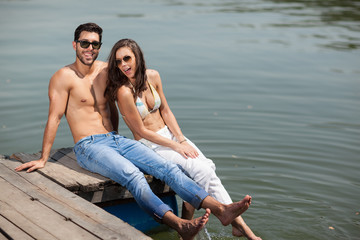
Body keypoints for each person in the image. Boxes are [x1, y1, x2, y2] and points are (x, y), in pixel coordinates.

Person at [14, 23, 252, 240]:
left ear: (99, 47)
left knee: (166, 168)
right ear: (75, 44)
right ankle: (179, 224)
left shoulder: (107, 70)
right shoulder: (63, 77)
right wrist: (44, 158)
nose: (89, 48)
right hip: (89, 145)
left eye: (95, 44)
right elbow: (54, 118)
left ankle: (221, 210)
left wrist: (120, 133)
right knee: (133, 175)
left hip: (115, 139)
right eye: (84, 43)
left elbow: (122, 96)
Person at [105, 38, 261, 240]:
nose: (123, 65)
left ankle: (233, 228)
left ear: (137, 57)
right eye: (118, 62)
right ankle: (206, 228)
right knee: (203, 170)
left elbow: (166, 111)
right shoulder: (123, 91)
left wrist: (181, 139)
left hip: (171, 136)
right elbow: (141, 131)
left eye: (127, 58)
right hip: (150, 144)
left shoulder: (153, 76)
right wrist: (175, 146)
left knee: (206, 170)